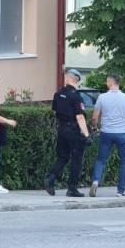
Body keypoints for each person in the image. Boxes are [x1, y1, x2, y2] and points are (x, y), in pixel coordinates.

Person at [89, 73, 125, 197]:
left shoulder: (102, 98)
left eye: (107, 81)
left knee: (101, 159)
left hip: (106, 133)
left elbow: (94, 117)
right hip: (123, 133)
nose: (106, 83)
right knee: (124, 161)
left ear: (111, 82)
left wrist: (95, 128)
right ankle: (121, 191)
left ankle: (95, 182)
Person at [44, 69, 91, 197]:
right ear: (77, 79)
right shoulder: (76, 96)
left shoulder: (58, 93)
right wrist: (86, 135)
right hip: (74, 131)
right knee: (76, 160)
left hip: (62, 129)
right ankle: (72, 189)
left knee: (62, 157)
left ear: (67, 78)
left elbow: (55, 112)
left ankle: (51, 178)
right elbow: (80, 117)